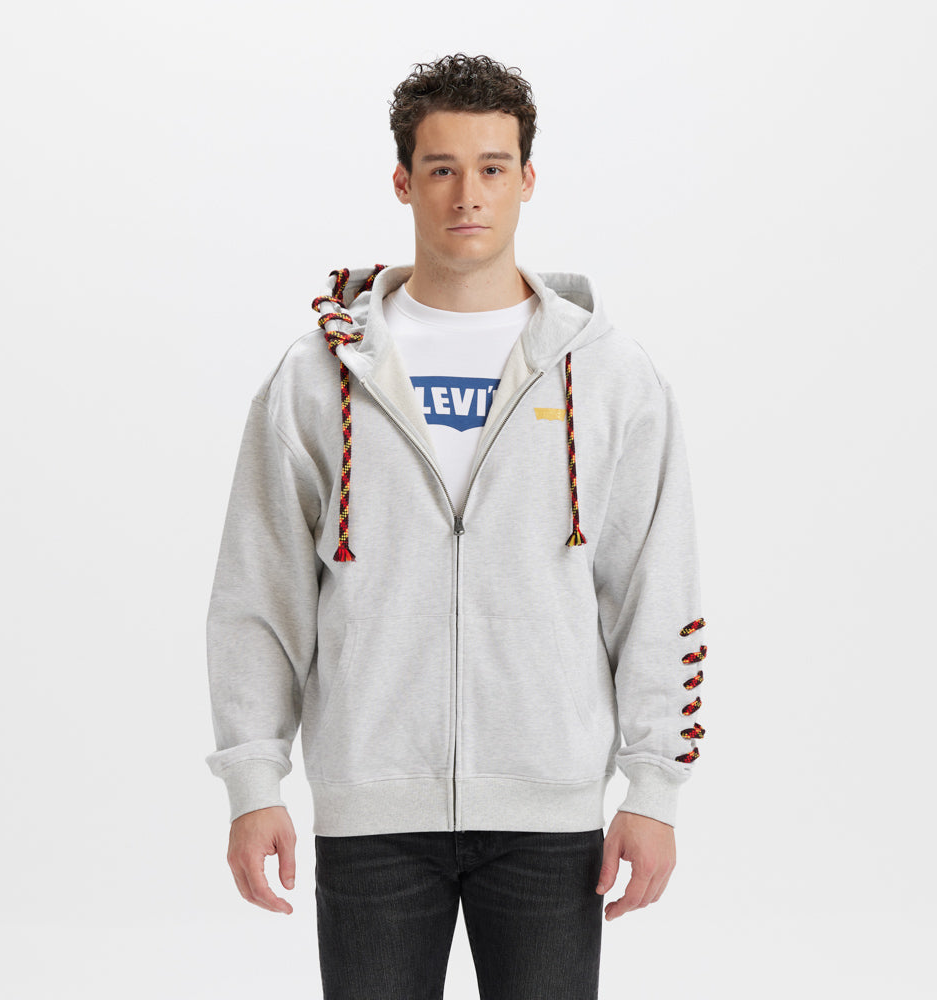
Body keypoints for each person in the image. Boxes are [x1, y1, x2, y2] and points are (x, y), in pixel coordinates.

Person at [204, 52, 708, 1000]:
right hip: (372, 809)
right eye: (441, 168)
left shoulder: (611, 376)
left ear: (527, 178)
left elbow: (655, 587)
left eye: (491, 167)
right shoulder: (315, 377)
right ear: (403, 181)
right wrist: (254, 780)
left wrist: (654, 788)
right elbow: (258, 594)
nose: (467, 194)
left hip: (552, 810)